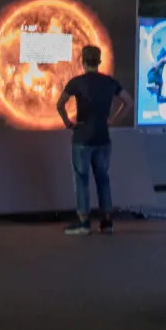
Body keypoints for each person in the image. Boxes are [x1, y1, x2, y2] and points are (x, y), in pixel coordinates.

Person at [57, 45, 133, 236]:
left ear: (82, 61)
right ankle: (107, 222)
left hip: (82, 137)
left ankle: (83, 222)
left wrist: (67, 122)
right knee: (103, 179)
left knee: (81, 180)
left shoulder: (77, 82)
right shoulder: (110, 82)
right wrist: (113, 120)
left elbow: (60, 104)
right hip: (103, 137)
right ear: (99, 61)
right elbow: (128, 102)